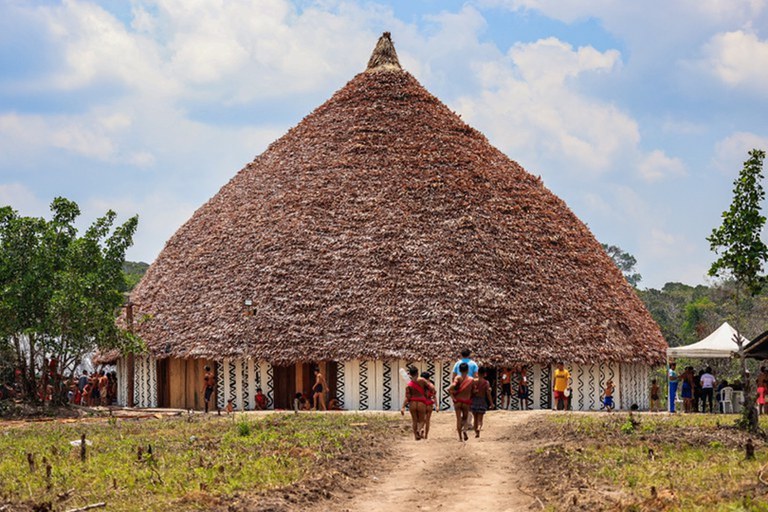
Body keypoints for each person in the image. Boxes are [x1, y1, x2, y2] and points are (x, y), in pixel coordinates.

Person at [401, 367, 434, 440]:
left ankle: (416, 436)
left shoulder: (408, 385)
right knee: (422, 420)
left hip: (412, 403)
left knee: (414, 420)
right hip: (421, 403)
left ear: (410, 374)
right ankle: (419, 430)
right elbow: (432, 388)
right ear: (417, 373)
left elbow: (407, 397)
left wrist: (403, 407)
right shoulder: (422, 380)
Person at [449, 362, 474, 442]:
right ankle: (464, 430)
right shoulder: (471, 380)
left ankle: (460, 438)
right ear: (468, 370)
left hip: (458, 401)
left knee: (458, 419)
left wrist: (452, 396)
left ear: (459, 370)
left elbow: (451, 387)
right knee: (465, 418)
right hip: (466, 401)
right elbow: (473, 391)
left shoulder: (458, 378)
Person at [471, 367, 494, 437]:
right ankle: (479, 428)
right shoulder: (486, 383)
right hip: (482, 400)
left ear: (478, 373)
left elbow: (470, 391)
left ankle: (476, 432)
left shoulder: (473, 381)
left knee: (475, 418)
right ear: (485, 374)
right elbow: (488, 393)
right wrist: (491, 403)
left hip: (474, 400)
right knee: (480, 419)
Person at [420, 371, 437, 439]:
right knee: (428, 420)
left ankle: (421, 428)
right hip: (429, 403)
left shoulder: (419, 385)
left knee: (421, 419)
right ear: (429, 378)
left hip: (421, 403)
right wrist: (437, 405)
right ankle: (426, 436)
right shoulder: (431, 385)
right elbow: (434, 395)